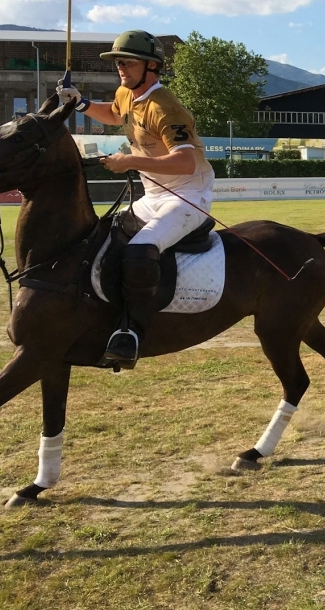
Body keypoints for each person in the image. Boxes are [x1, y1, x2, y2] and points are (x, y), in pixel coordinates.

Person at [57, 30, 215, 366]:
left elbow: (186, 163)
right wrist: (80, 103)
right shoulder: (127, 94)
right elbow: (115, 115)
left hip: (187, 196)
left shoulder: (165, 107)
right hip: (153, 195)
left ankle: (132, 332)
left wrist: (130, 161)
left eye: (127, 62)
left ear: (151, 66)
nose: (121, 68)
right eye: (118, 62)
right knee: (102, 237)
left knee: (140, 250)